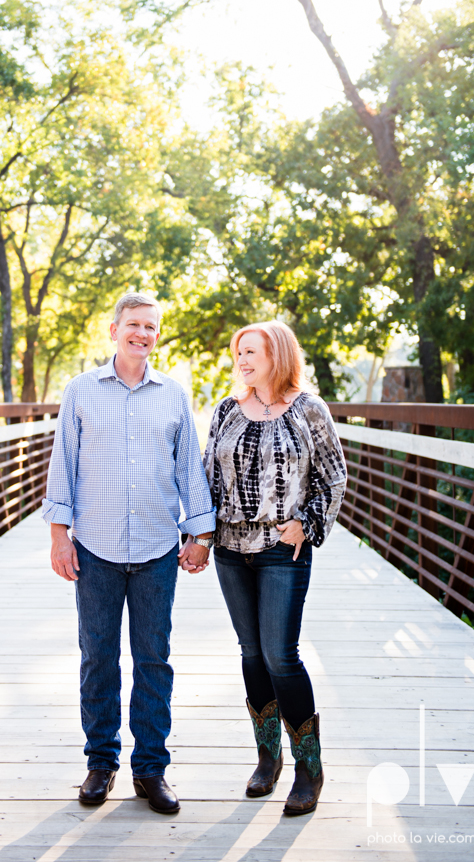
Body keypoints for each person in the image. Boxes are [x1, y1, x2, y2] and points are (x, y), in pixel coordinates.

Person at [42, 293, 215, 814]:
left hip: (158, 549)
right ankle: (100, 763)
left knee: (153, 660)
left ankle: (151, 770)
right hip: (94, 548)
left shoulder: (173, 396)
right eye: (134, 324)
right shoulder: (80, 391)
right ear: (113, 328)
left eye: (151, 327)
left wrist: (199, 536)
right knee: (97, 658)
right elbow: (62, 464)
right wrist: (58, 534)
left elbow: (189, 469)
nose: (142, 333)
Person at [202, 321, 347, 815]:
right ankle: (269, 759)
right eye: (238, 351)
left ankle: (310, 767)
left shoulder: (309, 409)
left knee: (280, 655)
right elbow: (206, 476)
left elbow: (334, 475)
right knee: (250, 654)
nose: (242, 360)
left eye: (251, 352)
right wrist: (198, 537)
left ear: (277, 354)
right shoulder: (226, 410)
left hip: (281, 551)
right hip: (230, 550)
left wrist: (306, 523)